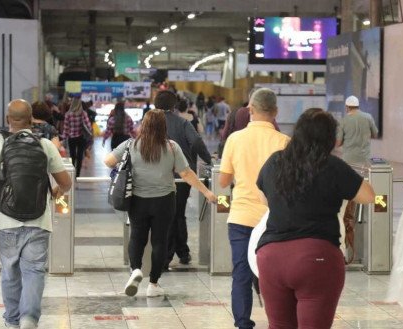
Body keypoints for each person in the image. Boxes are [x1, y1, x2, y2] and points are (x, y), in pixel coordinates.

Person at [255, 108, 375, 328]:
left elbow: (264, 200)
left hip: (271, 257)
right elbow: (369, 196)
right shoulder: (332, 165)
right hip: (316, 258)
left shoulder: (275, 161)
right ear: (329, 138)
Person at [0, 99, 72, 329]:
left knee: (10, 271)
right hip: (39, 219)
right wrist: (55, 191)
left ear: (7, 119)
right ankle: (29, 319)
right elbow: (66, 182)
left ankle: (12, 321)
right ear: (31, 118)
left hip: (5, 220)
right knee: (34, 271)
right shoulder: (44, 144)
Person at [104, 109, 217, 297]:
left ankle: (136, 270)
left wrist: (125, 166)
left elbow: (108, 161)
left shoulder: (131, 144)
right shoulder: (172, 147)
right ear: (163, 126)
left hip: (138, 201)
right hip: (164, 201)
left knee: (137, 236)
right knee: (160, 241)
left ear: (144, 125)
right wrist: (206, 192)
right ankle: (153, 285)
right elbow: (186, 173)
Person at [218, 88, 290, 329]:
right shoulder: (285, 142)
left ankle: (243, 324)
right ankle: (279, 321)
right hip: (274, 219)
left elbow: (223, 181)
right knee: (275, 274)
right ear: (276, 112)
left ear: (250, 109)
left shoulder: (234, 139)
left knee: (241, 272)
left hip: (241, 217)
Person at [155, 91, 212, 268]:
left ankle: (173, 253)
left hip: (156, 177)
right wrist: (209, 159)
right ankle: (178, 253)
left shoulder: (150, 124)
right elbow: (196, 142)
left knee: (165, 215)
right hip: (182, 176)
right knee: (178, 213)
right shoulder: (182, 123)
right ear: (174, 106)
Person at [335, 95, 379, 260]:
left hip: (349, 164)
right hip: (365, 164)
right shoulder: (367, 117)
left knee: (348, 205)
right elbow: (375, 133)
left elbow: (338, 142)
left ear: (347, 107)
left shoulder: (344, 121)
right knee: (366, 198)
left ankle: (349, 243)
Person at [63, 97, 92, 177]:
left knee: (72, 156)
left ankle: (72, 173)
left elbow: (66, 128)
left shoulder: (68, 114)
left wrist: (64, 138)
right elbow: (88, 126)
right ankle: (77, 175)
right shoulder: (83, 113)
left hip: (71, 138)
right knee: (80, 156)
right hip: (81, 137)